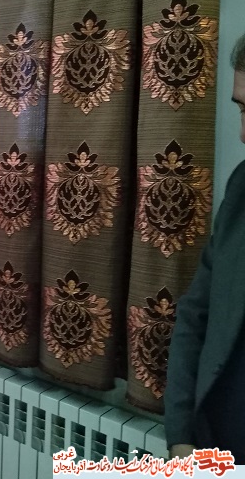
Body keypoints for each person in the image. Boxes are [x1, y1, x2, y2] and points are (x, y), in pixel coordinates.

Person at [165, 35, 245, 461]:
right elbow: (196, 313)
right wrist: (181, 437)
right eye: (243, 110)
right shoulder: (241, 189)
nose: (243, 135)